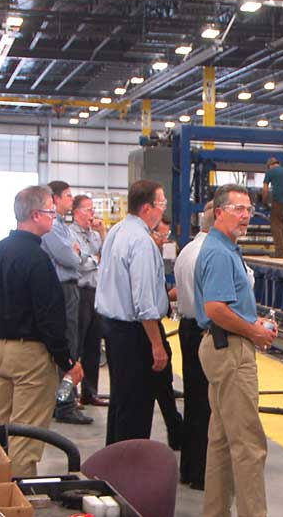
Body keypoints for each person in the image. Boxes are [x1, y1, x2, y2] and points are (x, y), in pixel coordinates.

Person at [0, 186, 83, 477]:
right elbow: (49, 319)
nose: (54, 218)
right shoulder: (37, 260)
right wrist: (66, 362)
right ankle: (16, 496)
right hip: (31, 355)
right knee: (25, 437)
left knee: (1, 429)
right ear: (36, 214)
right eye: (51, 212)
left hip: (3, 349)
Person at [196, 184, 278, 517]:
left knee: (222, 440)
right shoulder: (218, 251)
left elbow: (226, 304)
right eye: (238, 209)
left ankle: (215, 512)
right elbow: (215, 308)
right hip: (231, 350)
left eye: (248, 210)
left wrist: (253, 319)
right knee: (249, 445)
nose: (245, 216)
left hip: (224, 345)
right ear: (219, 212)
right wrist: (253, 331)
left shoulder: (227, 247)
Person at [95, 180, 182, 447]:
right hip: (135, 334)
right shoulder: (142, 242)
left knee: (121, 403)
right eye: (162, 203)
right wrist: (157, 345)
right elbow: (143, 301)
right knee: (136, 408)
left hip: (113, 328)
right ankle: (129, 474)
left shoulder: (117, 231)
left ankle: (114, 466)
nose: (163, 208)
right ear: (147, 208)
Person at [40, 180, 92, 424]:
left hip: (70, 288)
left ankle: (62, 400)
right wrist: (77, 253)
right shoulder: (53, 228)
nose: (71, 200)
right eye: (69, 196)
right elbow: (70, 258)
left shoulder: (63, 227)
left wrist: (76, 253)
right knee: (68, 346)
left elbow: (75, 254)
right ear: (56, 198)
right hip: (63, 289)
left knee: (73, 344)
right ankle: (64, 403)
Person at [172, 201, 215, 491]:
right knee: (206, 406)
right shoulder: (210, 254)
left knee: (193, 401)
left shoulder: (187, 250)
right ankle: (202, 473)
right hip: (203, 329)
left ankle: (188, 468)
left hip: (187, 326)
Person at [70, 194, 108, 407]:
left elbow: (107, 257)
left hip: (96, 292)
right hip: (80, 291)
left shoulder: (94, 236)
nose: (91, 214)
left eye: (93, 210)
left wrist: (102, 233)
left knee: (94, 345)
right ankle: (70, 393)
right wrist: (96, 259)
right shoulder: (69, 233)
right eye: (87, 210)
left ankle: (90, 392)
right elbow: (79, 263)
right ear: (76, 212)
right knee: (76, 344)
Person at [262, 157, 283, 258]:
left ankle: (279, 253)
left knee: (276, 225)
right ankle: (282, 251)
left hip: (278, 202)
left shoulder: (270, 172)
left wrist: (264, 202)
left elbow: (265, 189)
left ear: (270, 166)